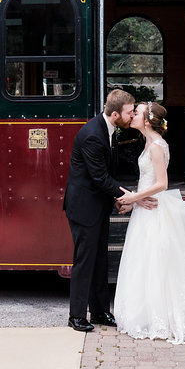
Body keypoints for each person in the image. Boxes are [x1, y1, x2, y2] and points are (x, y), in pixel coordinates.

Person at [114, 102, 185, 344]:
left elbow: (162, 184)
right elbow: (147, 181)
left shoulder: (155, 146)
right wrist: (135, 201)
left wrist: (134, 197)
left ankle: (163, 316)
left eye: (137, 113)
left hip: (155, 209)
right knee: (147, 262)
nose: (132, 115)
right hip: (146, 207)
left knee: (158, 263)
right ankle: (149, 313)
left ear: (146, 120)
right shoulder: (149, 143)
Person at [63, 89, 153, 332]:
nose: (133, 114)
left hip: (97, 204)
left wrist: (115, 196)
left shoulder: (110, 129)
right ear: (115, 114)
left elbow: (105, 175)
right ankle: (77, 316)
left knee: (100, 260)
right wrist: (130, 196)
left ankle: (100, 311)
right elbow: (99, 177)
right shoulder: (93, 134)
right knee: (85, 261)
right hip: (84, 208)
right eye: (129, 111)